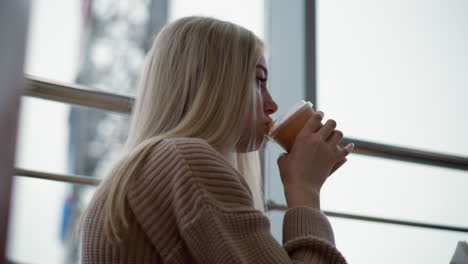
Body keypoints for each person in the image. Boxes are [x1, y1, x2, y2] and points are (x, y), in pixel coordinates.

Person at [80, 16, 354, 263]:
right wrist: (305, 188)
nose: (271, 105)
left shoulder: (149, 167)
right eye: (259, 81)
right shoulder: (188, 161)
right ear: (214, 85)